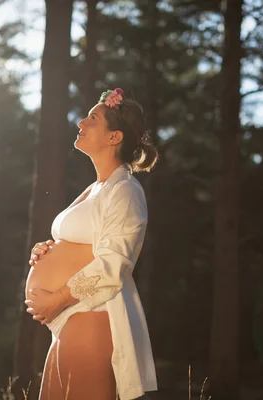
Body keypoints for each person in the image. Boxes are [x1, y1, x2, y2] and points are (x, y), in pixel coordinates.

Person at [24, 88, 158, 400]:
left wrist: (58, 297)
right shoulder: (96, 189)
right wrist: (47, 250)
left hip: (92, 315)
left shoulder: (125, 190)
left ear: (114, 137)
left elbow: (114, 264)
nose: (81, 122)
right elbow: (81, 243)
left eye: (93, 118)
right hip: (72, 319)